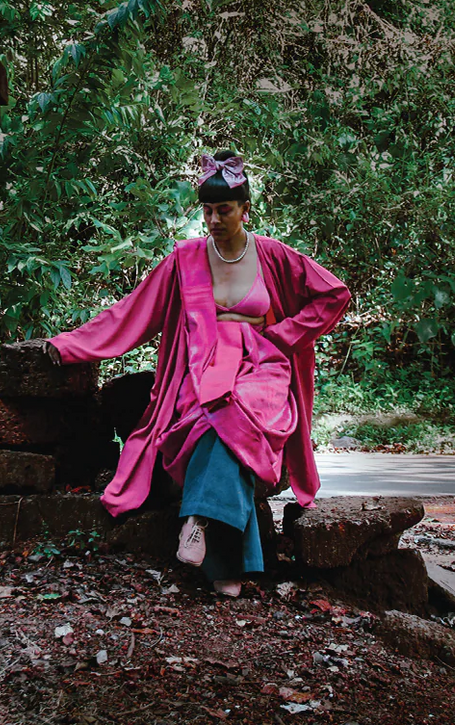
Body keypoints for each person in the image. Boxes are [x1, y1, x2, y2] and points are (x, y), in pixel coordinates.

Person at [42, 150, 350, 595]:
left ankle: (197, 518)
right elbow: (132, 313)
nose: (214, 219)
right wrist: (70, 346)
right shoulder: (184, 260)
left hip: (262, 367)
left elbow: (333, 295)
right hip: (202, 367)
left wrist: (282, 336)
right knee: (210, 420)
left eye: (224, 209)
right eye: (207, 210)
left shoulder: (274, 256)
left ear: (245, 209)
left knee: (238, 415)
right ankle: (227, 566)